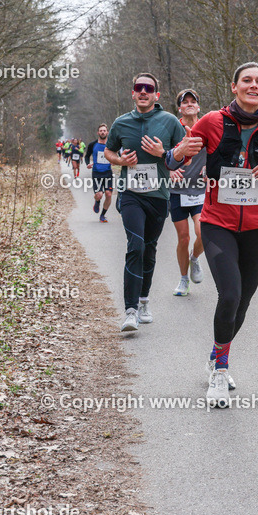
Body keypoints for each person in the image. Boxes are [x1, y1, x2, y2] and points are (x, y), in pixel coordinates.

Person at [189, 62, 258, 408]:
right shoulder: (211, 121)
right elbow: (177, 159)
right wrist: (177, 154)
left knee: (244, 301)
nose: (253, 86)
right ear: (234, 87)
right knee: (230, 294)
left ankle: (215, 354)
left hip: (257, 228)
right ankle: (220, 372)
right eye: (247, 81)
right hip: (216, 224)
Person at [104, 72, 203, 332]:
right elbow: (109, 150)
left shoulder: (169, 122)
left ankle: (144, 301)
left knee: (149, 249)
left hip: (159, 197)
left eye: (149, 88)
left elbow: (184, 157)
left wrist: (166, 155)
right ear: (133, 93)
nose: (144, 91)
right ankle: (130, 310)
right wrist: (119, 161)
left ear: (156, 95)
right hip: (130, 195)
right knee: (135, 246)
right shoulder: (121, 123)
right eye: (139, 87)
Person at [148, 89, 206, 296]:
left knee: (203, 233)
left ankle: (195, 258)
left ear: (198, 106)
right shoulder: (172, 129)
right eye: (185, 102)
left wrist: (211, 168)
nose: (189, 104)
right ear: (179, 108)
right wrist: (168, 170)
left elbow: (220, 152)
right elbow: (159, 156)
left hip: (201, 190)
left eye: (193, 101)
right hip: (177, 191)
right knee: (183, 237)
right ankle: (183, 280)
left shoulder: (208, 126)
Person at [86, 124, 112, 222]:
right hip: (97, 173)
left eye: (104, 130)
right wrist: (88, 163)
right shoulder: (92, 144)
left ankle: (102, 215)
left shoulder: (111, 144)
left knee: (108, 194)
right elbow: (87, 156)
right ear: (98, 133)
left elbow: (115, 154)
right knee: (99, 194)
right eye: (101, 130)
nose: (102, 132)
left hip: (108, 173)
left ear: (107, 132)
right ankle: (97, 201)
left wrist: (115, 160)